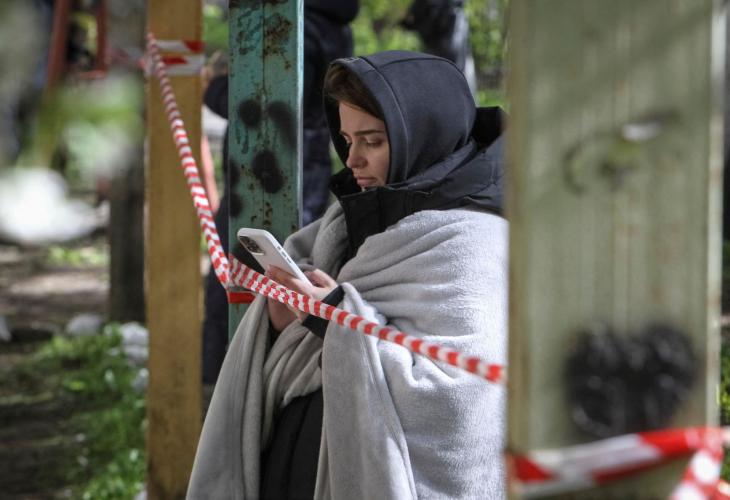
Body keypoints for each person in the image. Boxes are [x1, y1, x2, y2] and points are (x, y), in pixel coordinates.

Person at [188, 50, 507, 499]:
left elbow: (457, 403)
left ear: (422, 137)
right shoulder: (347, 222)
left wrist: (333, 318)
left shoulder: (471, 245)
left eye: (372, 141)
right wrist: (283, 320)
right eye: (346, 139)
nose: (352, 159)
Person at [200, 0, 359, 389]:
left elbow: (258, 101)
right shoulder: (329, 24)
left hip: (270, 177)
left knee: (245, 282)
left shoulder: (289, 25)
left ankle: (228, 384)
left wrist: (214, 87)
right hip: (293, 167)